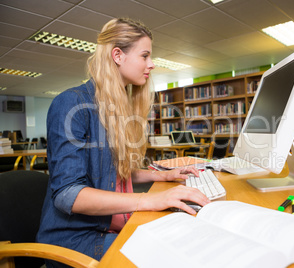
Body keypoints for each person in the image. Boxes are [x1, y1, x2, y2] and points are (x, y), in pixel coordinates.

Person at [36, 18, 210, 266]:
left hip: (110, 225)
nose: (151, 64)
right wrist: (149, 200)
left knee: (187, 235)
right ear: (118, 55)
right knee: (172, 255)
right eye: (145, 55)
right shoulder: (72, 103)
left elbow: (112, 174)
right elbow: (68, 195)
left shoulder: (118, 108)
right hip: (76, 239)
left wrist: (161, 176)